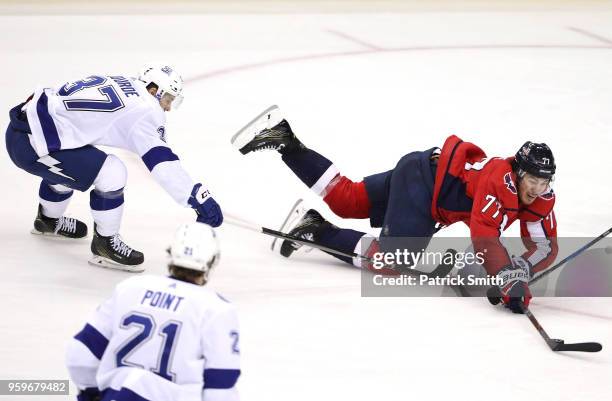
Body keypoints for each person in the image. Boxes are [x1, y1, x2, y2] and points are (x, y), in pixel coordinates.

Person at [233, 106, 558, 313]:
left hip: (419, 168)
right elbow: (484, 238)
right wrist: (505, 277)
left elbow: (544, 245)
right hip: (422, 189)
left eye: (544, 182)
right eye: (531, 179)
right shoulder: (498, 181)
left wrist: (519, 272)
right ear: (518, 172)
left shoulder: (540, 196)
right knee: (391, 260)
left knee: (348, 200)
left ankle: (286, 141)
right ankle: (318, 230)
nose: (536, 188)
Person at [5, 65, 223, 271]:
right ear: (153, 89)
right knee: (112, 172)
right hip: (32, 147)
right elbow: (161, 161)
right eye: (167, 98)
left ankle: (48, 220)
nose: (168, 107)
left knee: (74, 157)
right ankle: (105, 244)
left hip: (22, 131)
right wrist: (195, 195)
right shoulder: (146, 110)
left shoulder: (125, 82)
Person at [65, 222, 240, 401]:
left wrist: (92, 394)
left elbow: (81, 353)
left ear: (171, 253)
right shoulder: (217, 309)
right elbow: (220, 388)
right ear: (212, 261)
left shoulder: (130, 288)